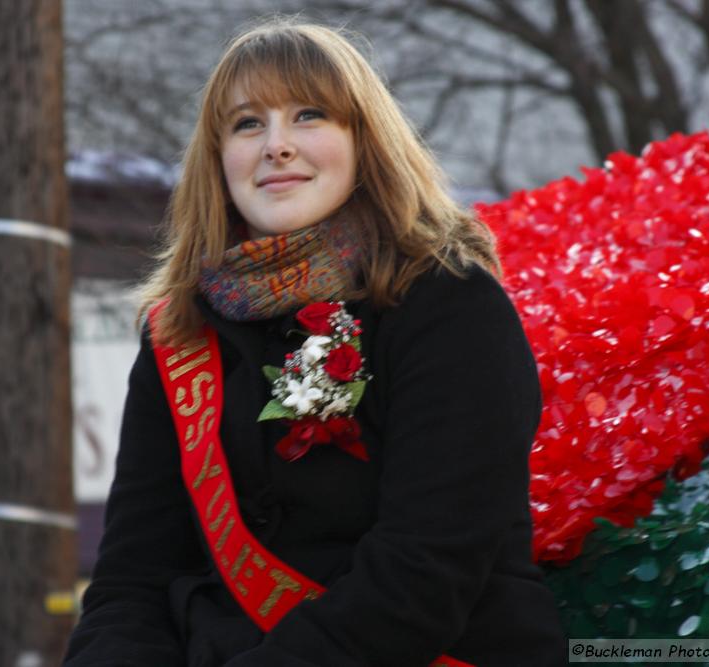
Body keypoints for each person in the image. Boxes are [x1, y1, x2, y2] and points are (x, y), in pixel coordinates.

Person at [65, 18, 567, 667]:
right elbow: (131, 583)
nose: (276, 145)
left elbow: (426, 568)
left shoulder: (449, 303)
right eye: (247, 123)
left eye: (308, 115)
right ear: (218, 159)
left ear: (365, 143)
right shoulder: (178, 332)